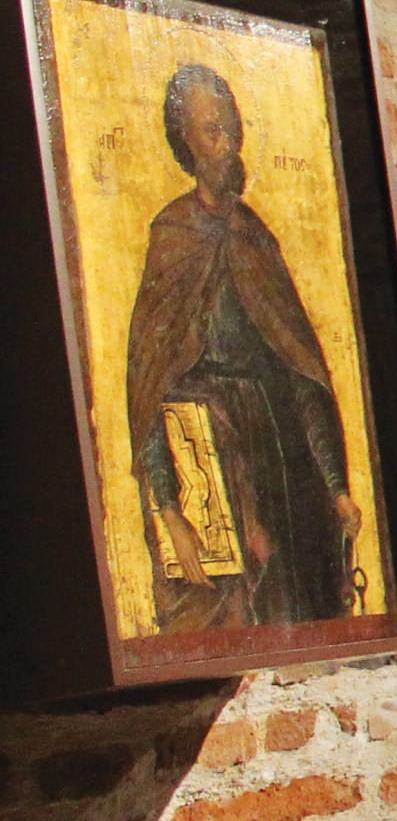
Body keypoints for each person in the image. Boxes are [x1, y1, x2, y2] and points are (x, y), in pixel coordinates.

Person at [126, 61, 361, 631]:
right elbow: (151, 389)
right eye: (212, 130)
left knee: (291, 609)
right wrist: (170, 512)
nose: (227, 142)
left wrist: (335, 490)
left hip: (276, 458)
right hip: (209, 460)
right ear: (185, 142)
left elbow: (299, 372)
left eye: (231, 126)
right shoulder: (172, 237)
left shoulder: (256, 238)